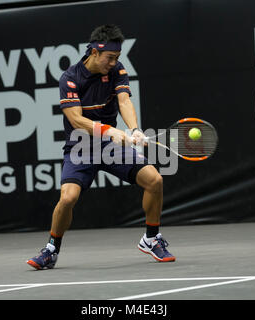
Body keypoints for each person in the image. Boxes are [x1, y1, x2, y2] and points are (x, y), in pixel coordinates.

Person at [26, 24, 175, 270]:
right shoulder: (70, 78)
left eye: (117, 57)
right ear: (94, 52)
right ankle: (51, 250)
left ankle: (151, 238)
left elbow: (124, 100)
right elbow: (76, 120)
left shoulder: (117, 70)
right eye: (110, 58)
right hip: (81, 146)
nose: (114, 62)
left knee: (155, 181)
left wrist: (135, 129)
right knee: (68, 198)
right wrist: (111, 131)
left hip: (110, 146)